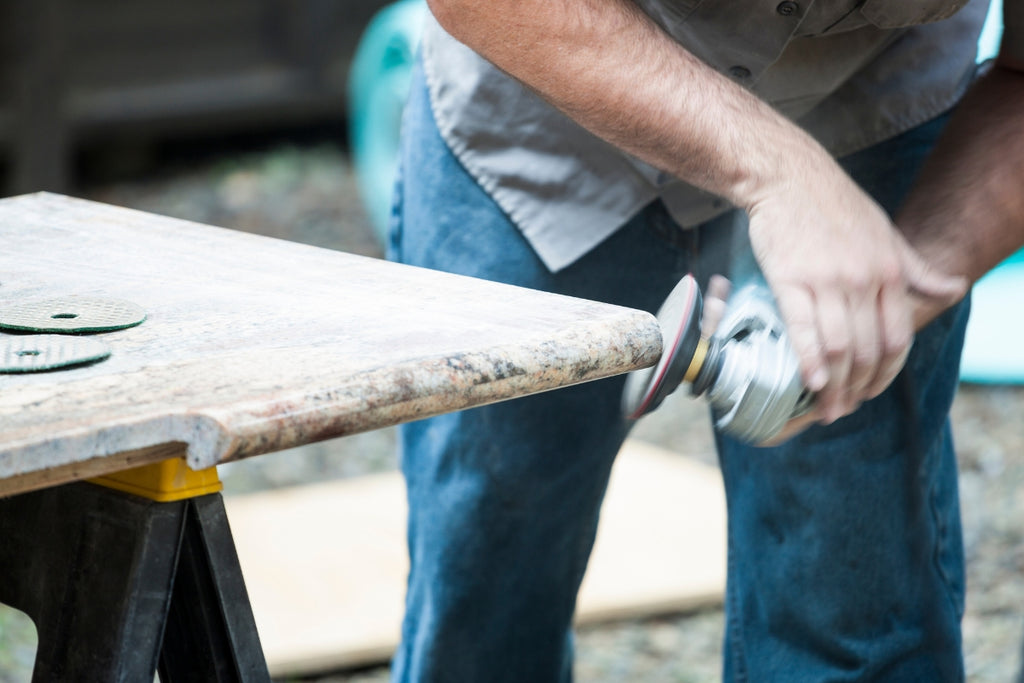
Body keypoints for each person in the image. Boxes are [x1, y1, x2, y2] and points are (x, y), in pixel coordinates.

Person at [387, 0, 1024, 679]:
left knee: (855, 617)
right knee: (483, 579)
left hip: (869, 109)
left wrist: (907, 283)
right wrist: (779, 174)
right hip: (544, 109)